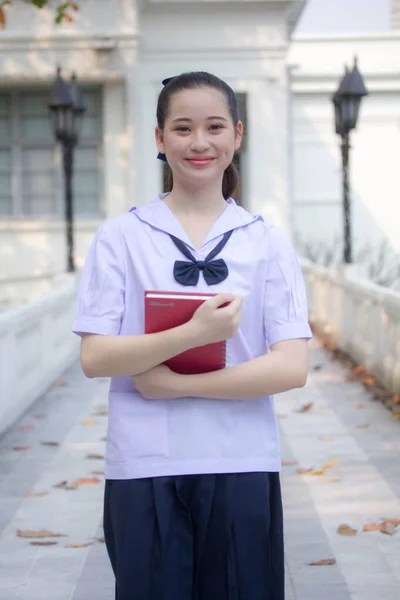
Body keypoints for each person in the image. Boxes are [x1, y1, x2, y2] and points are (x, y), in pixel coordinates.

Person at [72, 71, 312, 600]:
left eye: (214, 127)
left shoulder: (266, 242)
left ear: (237, 135)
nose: (199, 143)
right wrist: (194, 332)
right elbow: (95, 355)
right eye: (182, 128)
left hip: (241, 459)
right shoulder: (121, 237)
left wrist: (174, 385)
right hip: (144, 462)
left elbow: (290, 367)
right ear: (160, 140)